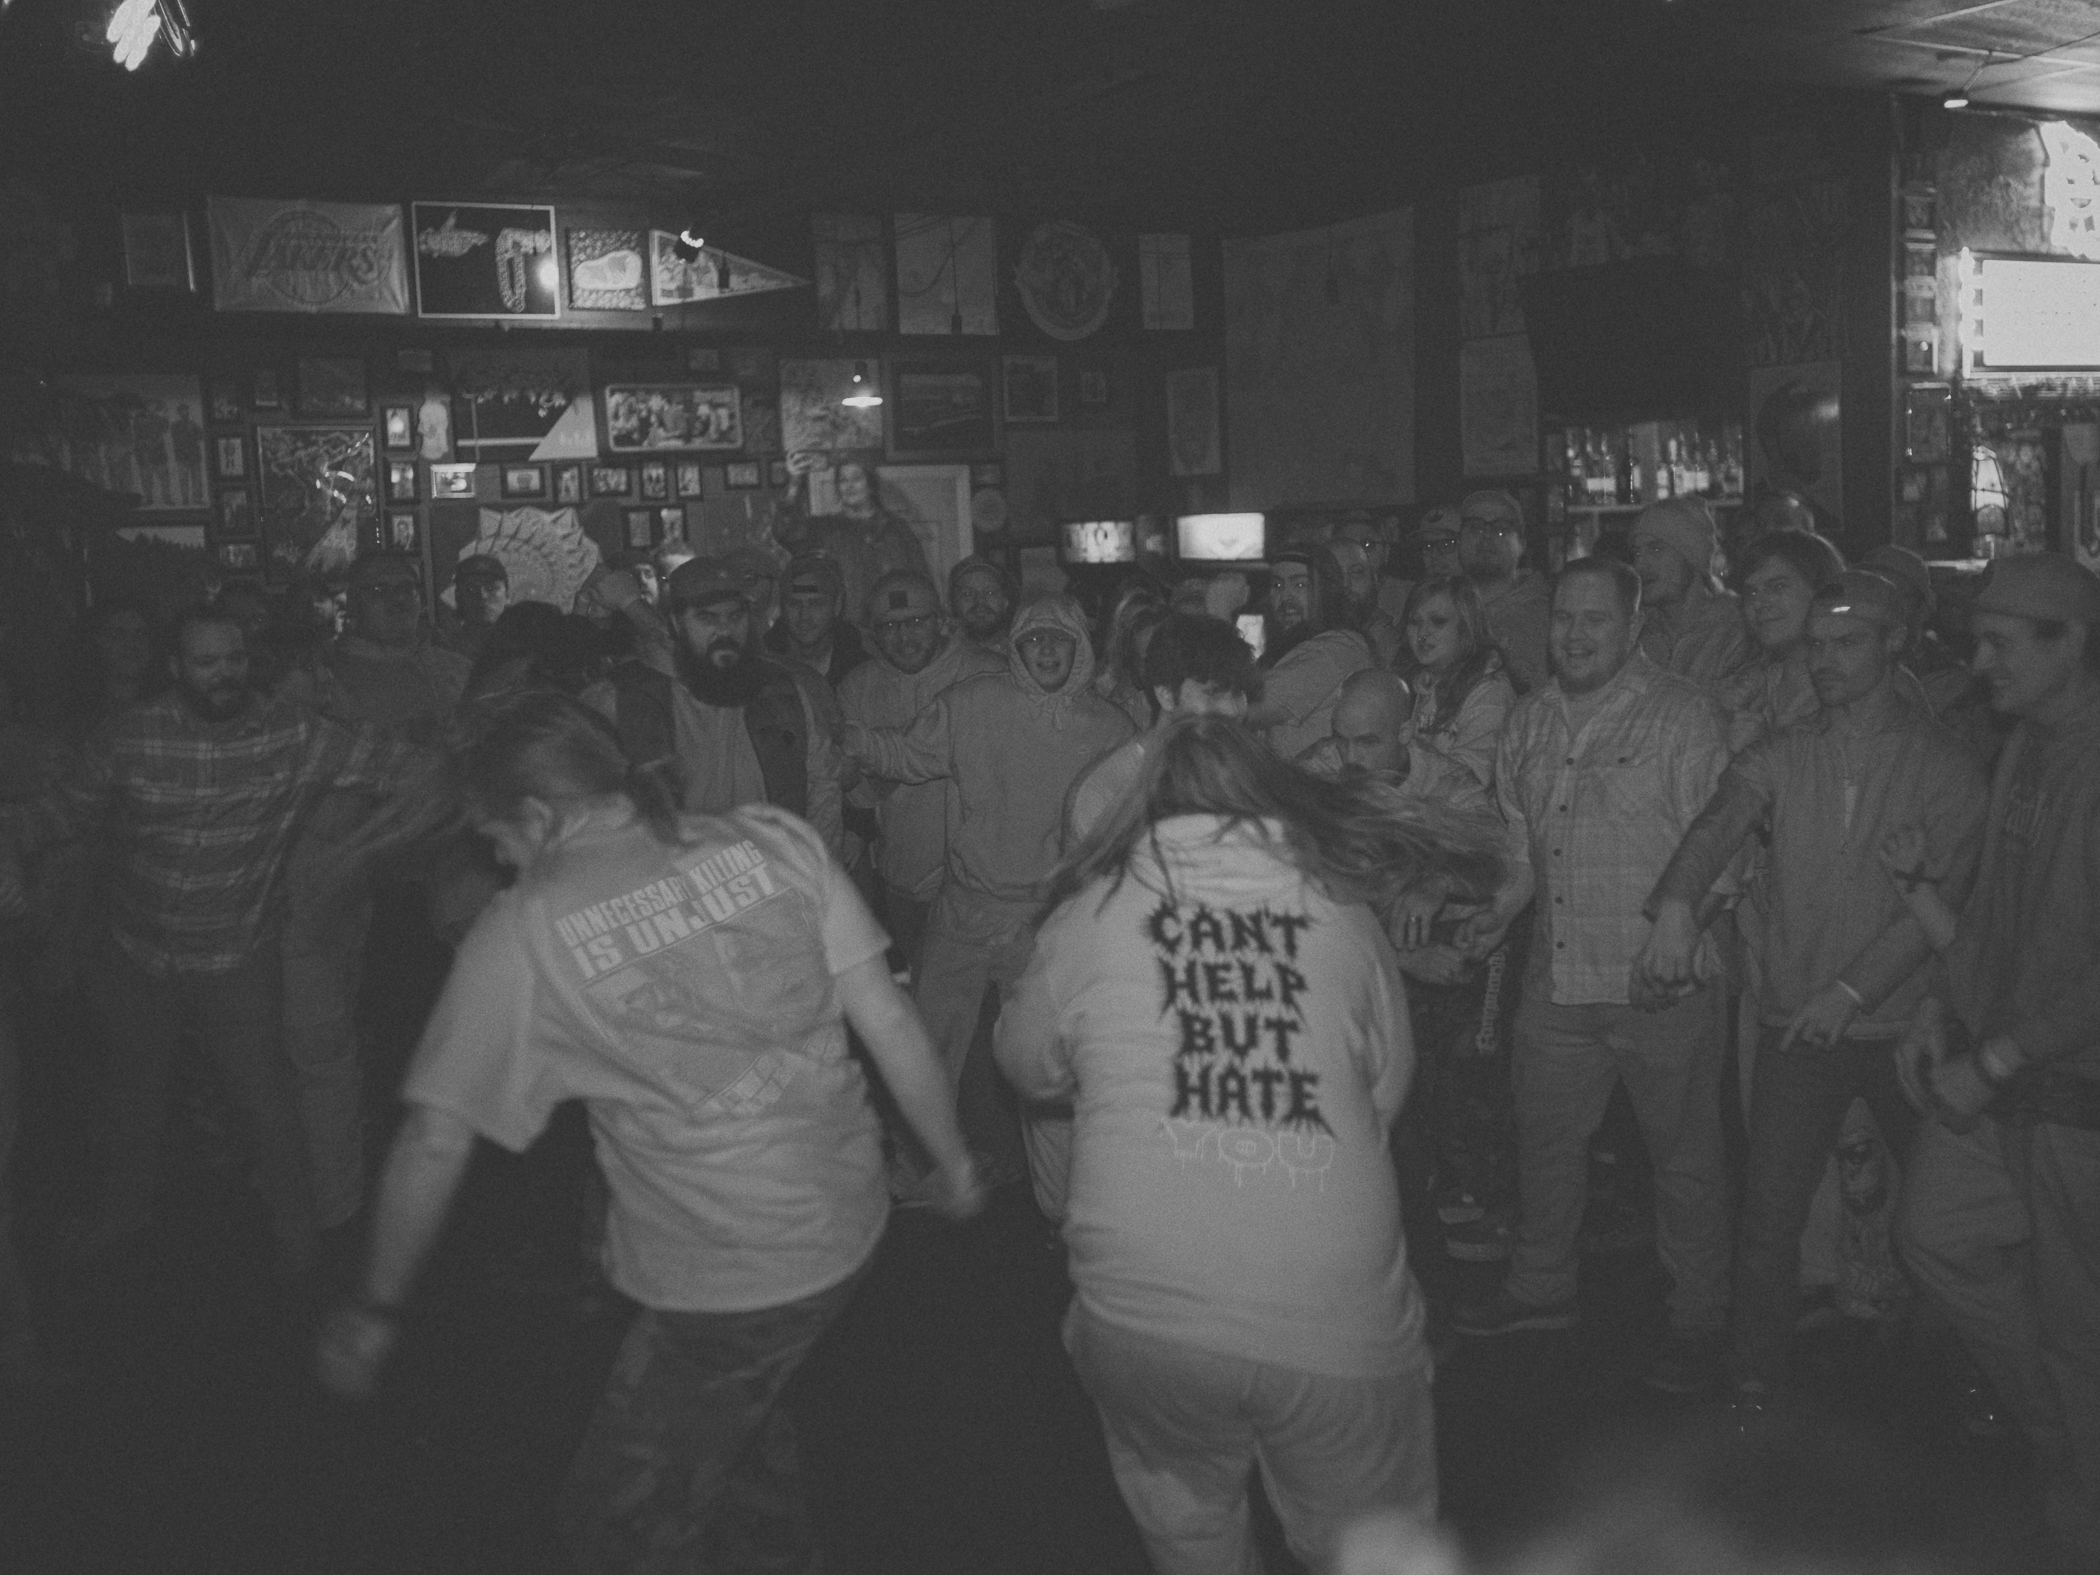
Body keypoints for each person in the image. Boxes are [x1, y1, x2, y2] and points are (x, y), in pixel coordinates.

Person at [314, 690, 982, 1571]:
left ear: (539, 815)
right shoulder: (772, 836)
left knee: (612, 1526)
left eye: (495, 836)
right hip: (846, 1215)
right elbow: (890, 1019)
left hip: (730, 1273)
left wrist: (374, 1306)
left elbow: (432, 1142)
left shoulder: (524, 931)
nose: (498, 857)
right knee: (741, 1441)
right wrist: (954, 1162)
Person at [996, 717, 1500, 1575]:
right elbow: (1386, 1084)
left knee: (1189, 1526)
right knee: (1369, 1548)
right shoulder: (1341, 910)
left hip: (1144, 1317)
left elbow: (1026, 1064)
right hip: (1331, 1315)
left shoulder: (1088, 916)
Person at [1640, 571, 1990, 1412]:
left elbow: (1938, 906)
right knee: (1770, 1214)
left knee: (1947, 1220)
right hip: (1800, 1020)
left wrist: (1850, 992)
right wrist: (1678, 901)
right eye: (1817, 645)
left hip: (1907, 1025)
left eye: (1847, 642)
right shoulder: (1785, 751)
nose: (1826, 660)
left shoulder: (1946, 764)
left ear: (1893, 643)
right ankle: (1753, 1373)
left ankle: (1978, 1375)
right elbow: (1718, 821)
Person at [6, 606, 427, 1279]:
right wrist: (9, 833)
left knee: (266, 1105)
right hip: (138, 952)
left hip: (235, 956)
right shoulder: (131, 734)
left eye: (234, 658)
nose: (224, 673)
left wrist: (454, 784)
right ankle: (122, 1218)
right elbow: (65, 812)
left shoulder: (297, 733)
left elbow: (402, 767)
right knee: (132, 1098)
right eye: (206, 661)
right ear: (176, 668)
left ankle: (301, 1248)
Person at [1451, 558, 1734, 1397]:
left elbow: (1727, 853)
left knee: (1684, 1161)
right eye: (1564, 618)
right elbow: (1521, 850)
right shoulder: (1528, 721)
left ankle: (1698, 1317)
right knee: (1544, 1145)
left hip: (1661, 984)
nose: (1575, 635)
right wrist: (1497, 911)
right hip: (1559, 980)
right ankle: (1543, 1288)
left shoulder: (1684, 716)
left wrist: (1685, 930)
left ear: (1634, 626)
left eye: (1596, 619)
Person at [1894, 554, 2100, 1563]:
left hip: (2072, 1097)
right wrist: (1943, 1003)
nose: (1978, 664)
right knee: (1933, 1234)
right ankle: (2063, 1442)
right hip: (2009, 1077)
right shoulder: (2026, 745)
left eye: (2001, 643)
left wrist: (2000, 1057)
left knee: (2078, 1329)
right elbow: (1995, 910)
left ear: (2074, 644)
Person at [843, 595, 1133, 1191]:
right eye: (1034, 639)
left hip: (1048, 918)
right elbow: (907, 755)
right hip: (966, 909)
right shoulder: (972, 703)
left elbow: (1127, 825)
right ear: (1016, 648)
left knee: (1045, 1056)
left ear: (1080, 647)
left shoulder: (1111, 729)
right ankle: (917, 1167)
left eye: (1059, 639)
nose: (1046, 650)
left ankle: (1061, 1187)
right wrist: (851, 739)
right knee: (928, 1042)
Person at [275, 554, 469, 1232]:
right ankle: (360, 1203)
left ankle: (441, 1197)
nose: (395, 600)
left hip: (444, 882)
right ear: (350, 603)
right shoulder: (317, 678)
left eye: (405, 588)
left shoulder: (450, 669)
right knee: (355, 1048)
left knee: (443, 1042)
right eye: (377, 590)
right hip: (354, 887)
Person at [590, 557, 844, 860]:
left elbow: (823, 789)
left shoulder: (782, 691)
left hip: (773, 875)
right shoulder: (621, 699)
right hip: (676, 881)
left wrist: (815, 870)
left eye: (735, 616)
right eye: (707, 618)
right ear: (676, 623)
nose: (725, 630)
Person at [836, 571, 1006, 976]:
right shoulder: (858, 687)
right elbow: (856, 792)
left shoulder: (987, 674)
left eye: (915, 622)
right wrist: (882, 770)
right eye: (889, 626)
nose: (903, 636)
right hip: (903, 879)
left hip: (980, 885)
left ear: (940, 622)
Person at [1066, 612, 1261, 846]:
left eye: (1238, 693)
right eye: (1214, 693)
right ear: (1166, 695)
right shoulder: (1111, 791)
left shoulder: (1248, 776)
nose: (1232, 710)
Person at [1394, 575, 1516, 811]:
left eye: (1438, 622)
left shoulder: (1492, 691)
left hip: (1460, 825)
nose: (1422, 634)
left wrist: (1402, 752)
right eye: (1414, 622)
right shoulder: (1405, 680)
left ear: (1467, 627)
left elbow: (1470, 781)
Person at [1244, 546, 1374, 761]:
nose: (1285, 597)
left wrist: (1218, 614)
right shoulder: (1283, 650)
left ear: (1326, 591)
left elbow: (1244, 709)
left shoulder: (1338, 648)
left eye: (1300, 584)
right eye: (1277, 585)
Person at [778, 453, 929, 629]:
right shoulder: (826, 529)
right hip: (846, 629)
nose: (849, 486)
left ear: (870, 485)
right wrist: (795, 484)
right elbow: (787, 532)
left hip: (893, 626)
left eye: (856, 479)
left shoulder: (896, 529)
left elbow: (920, 580)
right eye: (843, 480)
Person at [1630, 497, 1754, 701]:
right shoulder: (1634, 634)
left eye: (1656, 549)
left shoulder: (1738, 628)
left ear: (1692, 555)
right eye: (1636, 553)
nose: (1640, 565)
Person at [1732, 529, 1847, 747]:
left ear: (1820, 589)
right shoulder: (1755, 687)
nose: (1759, 603)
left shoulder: (1859, 682)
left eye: (1778, 587)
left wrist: (1764, 749)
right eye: (1751, 593)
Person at [1458, 490, 1551, 694]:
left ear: (1522, 544)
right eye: (1475, 527)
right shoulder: (1439, 612)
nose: (1486, 536)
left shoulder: (1550, 617)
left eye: (1501, 529)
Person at [764, 553, 869, 690]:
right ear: (782, 607)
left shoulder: (863, 671)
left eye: (816, 604)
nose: (804, 616)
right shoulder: (762, 667)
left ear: (837, 605)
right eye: (794, 604)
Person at [1298, 669, 1414, 778]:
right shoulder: (1314, 773)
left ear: (1404, 733)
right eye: (1341, 740)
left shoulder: (1425, 776)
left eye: (1367, 742)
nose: (1350, 759)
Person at [1333, 537, 1404, 667]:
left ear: (1375, 580)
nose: (1345, 583)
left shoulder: (1397, 648)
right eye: (1334, 575)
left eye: (1356, 572)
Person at [949, 554, 1018, 658]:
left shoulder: (1023, 653)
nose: (980, 601)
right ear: (954, 602)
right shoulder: (941, 657)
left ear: (1006, 600)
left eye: (990, 593)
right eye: (967, 593)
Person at [446, 554, 509, 662]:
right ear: (458, 597)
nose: (482, 596)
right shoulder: (446, 653)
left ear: (507, 595)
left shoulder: (525, 647)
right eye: (471, 589)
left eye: (491, 588)